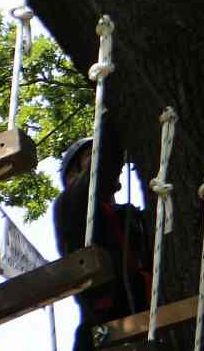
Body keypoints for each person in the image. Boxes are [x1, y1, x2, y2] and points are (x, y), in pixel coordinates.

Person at [53, 135, 152, 351]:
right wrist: (114, 115)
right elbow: (104, 165)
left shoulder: (131, 217)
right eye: (91, 155)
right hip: (103, 332)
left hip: (148, 320)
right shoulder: (69, 204)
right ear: (72, 176)